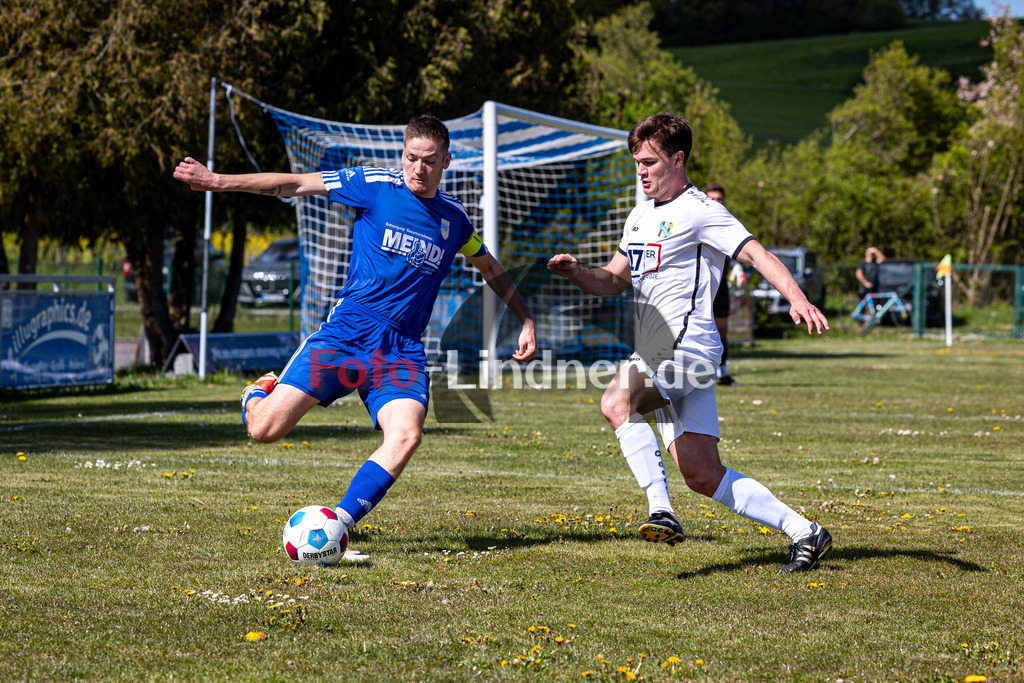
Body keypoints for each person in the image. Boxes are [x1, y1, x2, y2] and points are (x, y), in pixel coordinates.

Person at [174, 115, 537, 562]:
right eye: (411, 158)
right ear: (402, 154)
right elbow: (294, 183)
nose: (418, 169)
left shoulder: (455, 219)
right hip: (347, 333)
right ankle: (256, 393)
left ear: (446, 161)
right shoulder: (373, 185)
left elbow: (490, 267)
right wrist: (216, 181)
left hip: (401, 349)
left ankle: (338, 527)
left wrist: (525, 319)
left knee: (406, 435)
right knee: (263, 430)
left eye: (429, 161)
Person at [548, 113, 832, 572]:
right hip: (662, 351)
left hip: (687, 346)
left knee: (616, 402)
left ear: (677, 159)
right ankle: (806, 531)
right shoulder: (640, 216)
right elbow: (612, 280)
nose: (641, 171)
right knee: (702, 473)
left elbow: (755, 253)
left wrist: (797, 298)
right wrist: (578, 272)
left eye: (649, 162)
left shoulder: (701, 210)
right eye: (636, 163)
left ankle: (661, 511)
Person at [704, 183, 742, 386]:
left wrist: (737, 268)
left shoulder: (728, 224)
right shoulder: (696, 221)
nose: (716, 203)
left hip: (719, 286)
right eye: (712, 199)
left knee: (722, 329)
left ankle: (722, 373)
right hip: (698, 287)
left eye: (719, 199)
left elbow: (735, 250)